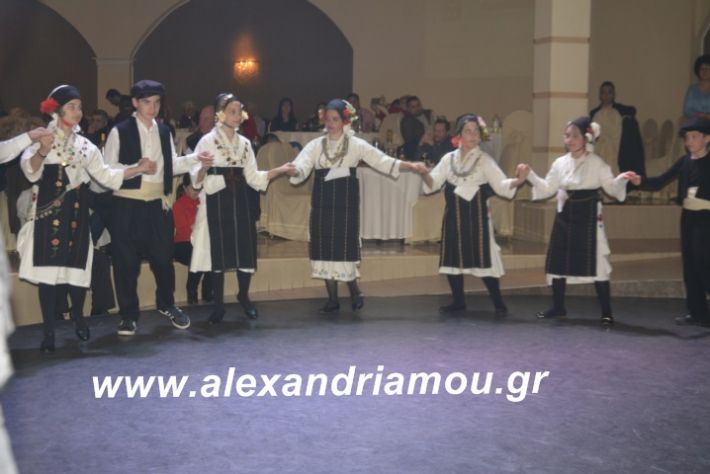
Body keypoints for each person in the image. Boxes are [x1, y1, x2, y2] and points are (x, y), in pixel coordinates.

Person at [17, 84, 156, 351]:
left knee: (77, 269)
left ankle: (79, 318)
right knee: (48, 274)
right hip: (49, 216)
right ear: (57, 110)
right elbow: (30, 171)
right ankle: (49, 332)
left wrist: (136, 169)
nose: (78, 111)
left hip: (77, 214)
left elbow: (106, 176)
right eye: (72, 106)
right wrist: (43, 150)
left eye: (80, 107)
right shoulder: (41, 138)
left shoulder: (85, 145)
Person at [289, 99, 428, 312]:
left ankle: (354, 291)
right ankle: (332, 299)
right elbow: (301, 165)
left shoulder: (355, 144)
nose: (330, 123)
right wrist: (295, 170)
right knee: (325, 249)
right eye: (328, 119)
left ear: (345, 121)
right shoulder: (315, 145)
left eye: (335, 119)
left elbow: (382, 161)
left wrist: (410, 165)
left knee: (344, 249)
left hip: (345, 204)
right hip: (323, 204)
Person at [103, 79, 212, 336]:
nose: (152, 108)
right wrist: (136, 168)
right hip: (127, 204)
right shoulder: (119, 131)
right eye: (146, 102)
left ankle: (166, 303)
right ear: (135, 103)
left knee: (163, 259)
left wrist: (196, 158)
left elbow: (170, 166)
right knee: (126, 263)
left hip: (157, 205)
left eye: (156, 103)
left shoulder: (164, 131)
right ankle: (128, 315)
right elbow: (106, 170)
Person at [520, 117, 638, 325]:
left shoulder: (597, 163)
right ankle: (558, 307)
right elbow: (547, 188)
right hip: (565, 215)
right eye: (567, 136)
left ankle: (606, 311)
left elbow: (611, 188)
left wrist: (623, 178)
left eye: (575, 136)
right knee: (558, 261)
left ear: (586, 138)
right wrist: (530, 175)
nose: (570, 140)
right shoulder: (560, 163)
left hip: (588, 216)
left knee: (598, 263)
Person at [191, 93, 297, 323]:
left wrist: (279, 170)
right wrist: (203, 169)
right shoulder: (207, 141)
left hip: (240, 201)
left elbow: (254, 177)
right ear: (220, 114)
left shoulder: (245, 144)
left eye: (239, 111)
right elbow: (196, 179)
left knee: (244, 249)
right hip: (217, 203)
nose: (238, 116)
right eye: (232, 111)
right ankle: (218, 306)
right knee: (217, 254)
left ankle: (243, 296)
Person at [421, 114, 526, 315]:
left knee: (484, 259)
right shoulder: (448, 159)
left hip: (476, 219)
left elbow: (501, 185)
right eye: (468, 131)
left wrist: (518, 181)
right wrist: (424, 173)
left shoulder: (484, 160)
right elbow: (432, 185)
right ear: (458, 135)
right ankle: (458, 301)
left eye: (476, 131)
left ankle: (498, 303)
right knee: (453, 260)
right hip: (454, 217)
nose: (473, 135)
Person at [630, 117, 710, 327]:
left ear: (707, 138)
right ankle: (697, 313)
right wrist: (640, 181)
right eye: (687, 138)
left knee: (703, 264)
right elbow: (660, 180)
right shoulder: (684, 162)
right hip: (689, 217)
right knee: (690, 266)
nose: (689, 142)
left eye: (694, 137)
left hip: (706, 219)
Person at [589, 81, 645, 177]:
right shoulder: (594, 113)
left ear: (613, 95)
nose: (606, 95)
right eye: (603, 92)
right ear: (600, 95)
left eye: (609, 92)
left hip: (617, 148)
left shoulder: (621, 110)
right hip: (600, 148)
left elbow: (632, 110)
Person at [173, 174, 211, 305]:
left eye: (199, 188)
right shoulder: (178, 205)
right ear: (185, 188)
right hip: (183, 244)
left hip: (200, 242)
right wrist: (198, 227)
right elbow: (182, 229)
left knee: (213, 255)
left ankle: (208, 291)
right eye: (193, 188)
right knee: (197, 254)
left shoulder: (203, 202)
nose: (197, 191)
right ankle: (192, 290)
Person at [683, 54, 710, 121]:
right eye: (702, 68)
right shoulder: (692, 89)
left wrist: (706, 116)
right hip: (695, 122)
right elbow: (687, 110)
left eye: (707, 68)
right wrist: (700, 115)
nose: (705, 71)